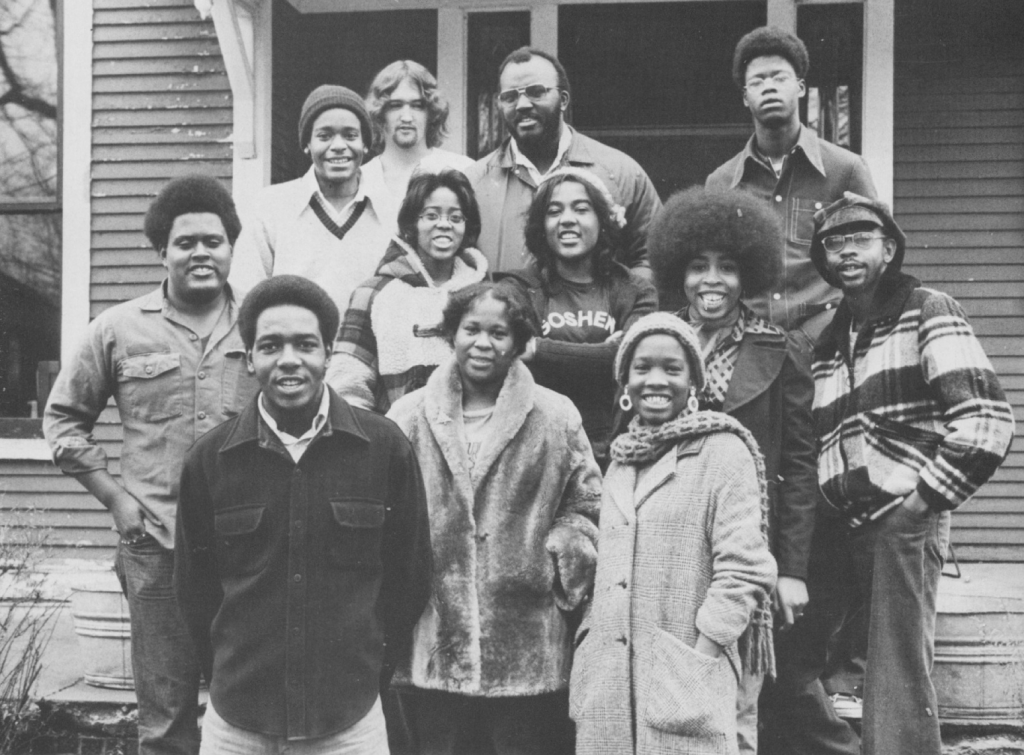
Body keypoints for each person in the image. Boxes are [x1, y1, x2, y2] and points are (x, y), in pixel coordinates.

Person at [43, 175, 257, 755]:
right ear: (161, 250)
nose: (201, 253)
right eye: (185, 242)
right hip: (156, 543)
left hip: (252, 547)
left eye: (213, 241)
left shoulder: (263, 326)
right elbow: (63, 421)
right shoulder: (118, 329)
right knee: (165, 720)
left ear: (231, 248)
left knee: (250, 712)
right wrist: (116, 499)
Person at [174, 275, 432, 754]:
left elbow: (410, 577)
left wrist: (367, 670)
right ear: (250, 357)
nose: (288, 359)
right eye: (270, 345)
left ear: (328, 353)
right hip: (238, 723)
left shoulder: (385, 449)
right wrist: (228, 673)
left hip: (349, 721)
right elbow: (194, 590)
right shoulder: (210, 461)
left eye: (305, 344)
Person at [797, 193, 1014, 755]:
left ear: (889, 249)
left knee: (896, 677)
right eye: (833, 243)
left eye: (860, 239)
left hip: (904, 519)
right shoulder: (826, 341)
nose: (846, 252)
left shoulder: (927, 308)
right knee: (806, 664)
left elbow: (986, 421)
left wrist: (921, 504)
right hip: (841, 530)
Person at [386, 282, 602, 755]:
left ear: (519, 342)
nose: (483, 343)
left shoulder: (555, 416)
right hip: (434, 639)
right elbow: (386, 511)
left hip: (524, 644)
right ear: (452, 334)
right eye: (471, 329)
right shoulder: (407, 415)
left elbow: (587, 502)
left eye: (499, 333)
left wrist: (560, 551)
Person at [647, 187, 818, 755]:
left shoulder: (780, 348)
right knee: (668, 690)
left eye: (726, 267)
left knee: (739, 698)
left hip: (743, 550)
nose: (711, 281)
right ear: (679, 272)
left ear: (749, 275)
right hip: (667, 547)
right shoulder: (653, 343)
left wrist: (789, 569)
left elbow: (798, 465)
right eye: (698, 267)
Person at [571, 312, 777, 755]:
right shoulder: (620, 461)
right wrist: (589, 640)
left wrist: (703, 653)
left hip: (685, 673)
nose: (655, 380)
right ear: (625, 381)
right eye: (642, 368)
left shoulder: (723, 451)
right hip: (607, 679)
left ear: (694, 381)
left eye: (672, 368)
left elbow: (744, 570)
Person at [706, 26, 877, 345]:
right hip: (747, 347)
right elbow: (713, 275)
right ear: (745, 97)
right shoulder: (721, 183)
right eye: (757, 81)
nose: (769, 87)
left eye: (779, 77)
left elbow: (875, 264)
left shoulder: (846, 169)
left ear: (800, 87)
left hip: (829, 342)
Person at [503, 167, 657, 466]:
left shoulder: (635, 291)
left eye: (582, 209)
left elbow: (631, 361)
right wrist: (607, 352)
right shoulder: (517, 288)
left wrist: (538, 348)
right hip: (540, 452)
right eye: (554, 211)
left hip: (618, 453)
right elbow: (511, 357)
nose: (568, 219)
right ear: (541, 225)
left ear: (603, 220)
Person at [466, 46, 661, 276]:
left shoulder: (620, 173)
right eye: (510, 96)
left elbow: (653, 259)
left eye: (536, 91)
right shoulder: (473, 182)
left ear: (564, 99)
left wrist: (621, 306)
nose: (522, 105)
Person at [327, 169, 488, 413]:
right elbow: (347, 386)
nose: (444, 225)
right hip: (397, 440)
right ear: (412, 224)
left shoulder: (484, 295)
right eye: (431, 215)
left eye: (456, 218)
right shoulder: (374, 293)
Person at [231, 84, 390, 317]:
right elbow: (246, 292)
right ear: (307, 144)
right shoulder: (271, 206)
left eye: (350, 135)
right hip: (293, 349)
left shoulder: (392, 211)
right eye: (324, 136)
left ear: (365, 144)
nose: (338, 146)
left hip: (369, 351)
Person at [361, 60, 474, 233]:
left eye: (417, 106)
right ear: (380, 112)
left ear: (432, 113)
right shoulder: (361, 179)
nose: (406, 117)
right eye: (396, 106)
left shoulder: (463, 169)